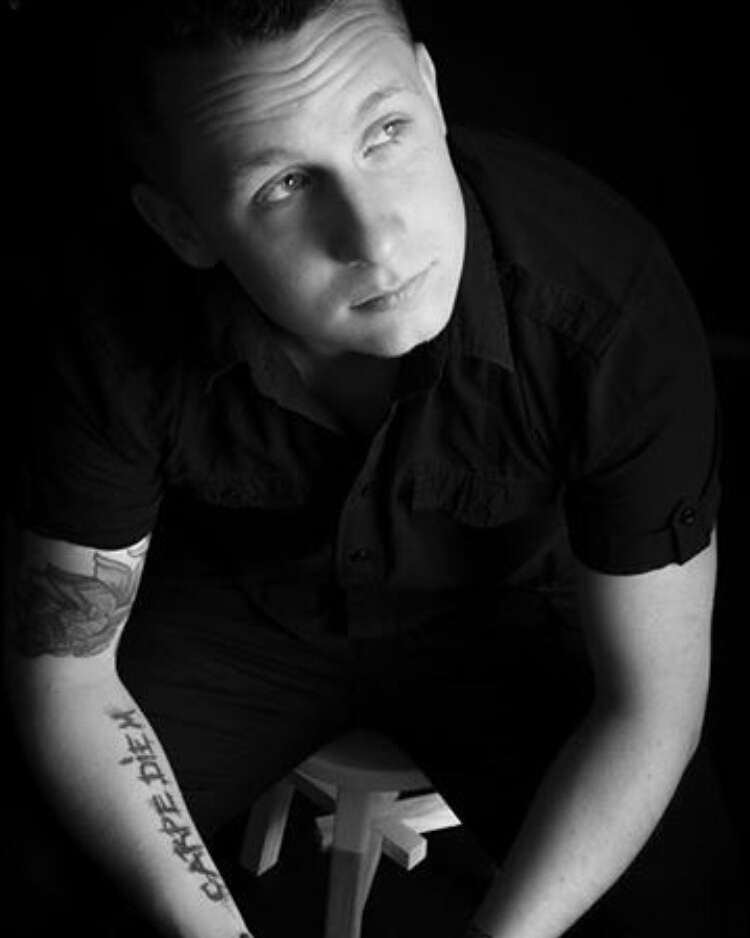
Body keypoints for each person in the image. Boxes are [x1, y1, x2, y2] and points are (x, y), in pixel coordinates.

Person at [3, 1, 745, 936]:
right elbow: (70, 676)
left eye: (386, 131)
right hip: (240, 612)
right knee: (25, 869)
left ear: (431, 91)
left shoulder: (608, 304)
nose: (377, 240)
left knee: (686, 906)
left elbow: (651, 704)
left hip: (515, 615)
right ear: (184, 227)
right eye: (282, 184)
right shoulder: (110, 322)